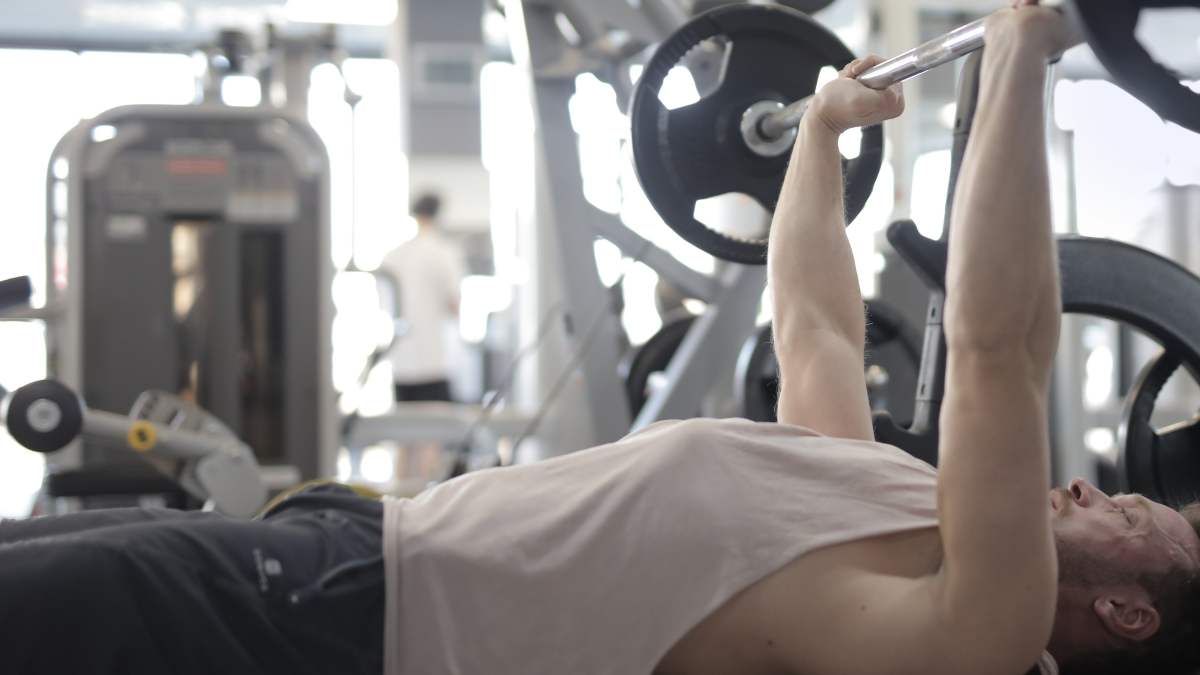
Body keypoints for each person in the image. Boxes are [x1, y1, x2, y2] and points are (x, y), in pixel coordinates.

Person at [2, 4, 1198, 675]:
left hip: (331, 632)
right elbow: (818, 323)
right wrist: (822, 136)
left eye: (1129, 517)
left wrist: (1018, 63)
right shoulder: (887, 502)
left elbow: (998, 351)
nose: (1094, 483)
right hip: (332, 560)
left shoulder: (970, 628)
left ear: (1128, 614)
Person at [378, 192, 465, 403]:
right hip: (434, 359)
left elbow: (383, 304)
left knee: (407, 427)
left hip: (401, 359)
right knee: (434, 427)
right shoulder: (444, 253)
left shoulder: (393, 256)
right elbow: (455, 305)